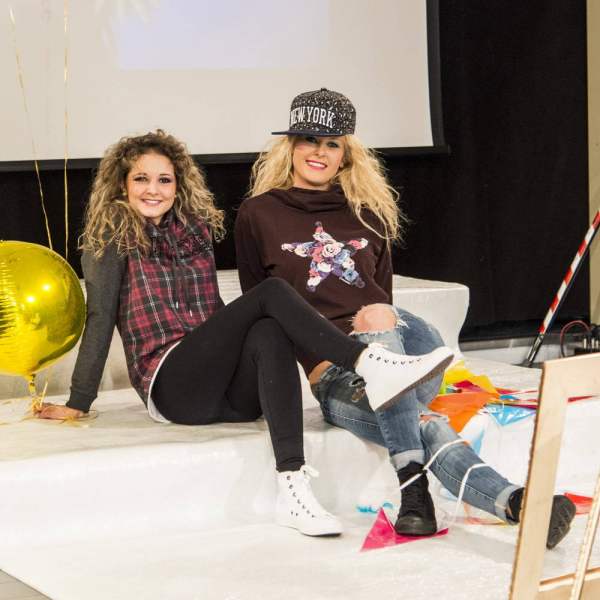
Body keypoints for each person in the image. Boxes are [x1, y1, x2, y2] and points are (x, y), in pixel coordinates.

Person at [36, 129, 453, 538]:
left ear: (178, 186)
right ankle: (367, 362)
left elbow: (214, 311)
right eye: (141, 179)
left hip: (226, 389)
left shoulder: (195, 230)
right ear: (122, 185)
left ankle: (292, 488)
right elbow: (100, 317)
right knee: (272, 293)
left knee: (269, 328)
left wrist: (238, 342)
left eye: (164, 180)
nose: (153, 190)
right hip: (173, 386)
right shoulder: (109, 238)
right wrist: (79, 401)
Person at [234, 88, 576, 548]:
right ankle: (519, 505)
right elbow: (264, 305)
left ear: (346, 154)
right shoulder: (258, 214)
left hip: (403, 347)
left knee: (378, 315)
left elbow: (384, 301)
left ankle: (413, 491)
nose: (319, 151)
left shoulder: (368, 213)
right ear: (291, 145)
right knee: (425, 423)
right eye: (309, 139)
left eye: (332, 143)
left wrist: (379, 336)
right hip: (335, 373)